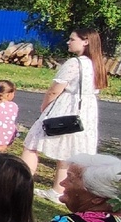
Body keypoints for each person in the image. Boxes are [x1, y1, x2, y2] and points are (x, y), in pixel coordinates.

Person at [21, 28, 107, 200]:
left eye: (72, 39)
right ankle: (57, 191)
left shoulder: (75, 63)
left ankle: (19, 182)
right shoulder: (97, 63)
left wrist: (45, 107)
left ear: (86, 41)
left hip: (66, 107)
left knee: (32, 144)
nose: (68, 42)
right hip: (86, 112)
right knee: (67, 151)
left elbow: (55, 90)